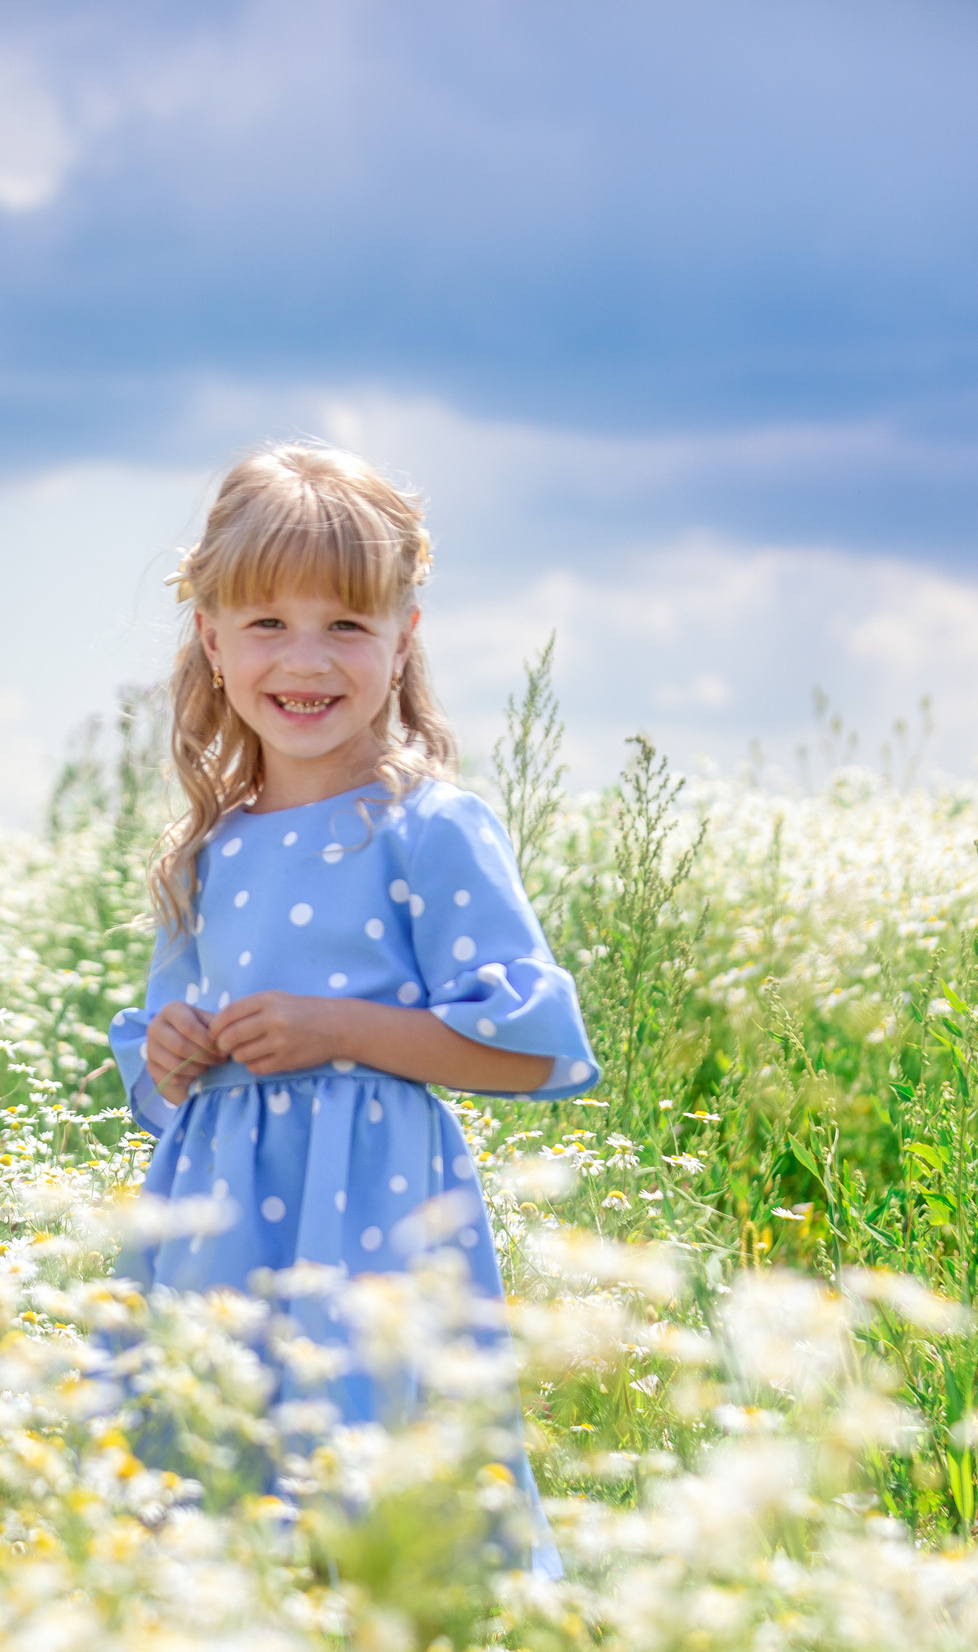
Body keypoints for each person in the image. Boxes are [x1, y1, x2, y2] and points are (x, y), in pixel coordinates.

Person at [106, 443, 599, 1575]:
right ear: (212, 640)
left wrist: (337, 1030)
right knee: (214, 1472)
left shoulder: (427, 826)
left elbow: (530, 1050)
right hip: (218, 1220)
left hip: (374, 1217)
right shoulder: (206, 850)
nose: (306, 659)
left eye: (345, 625)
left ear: (402, 639)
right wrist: (172, 1055)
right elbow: (153, 1070)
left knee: (375, 1469)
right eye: (267, 623)